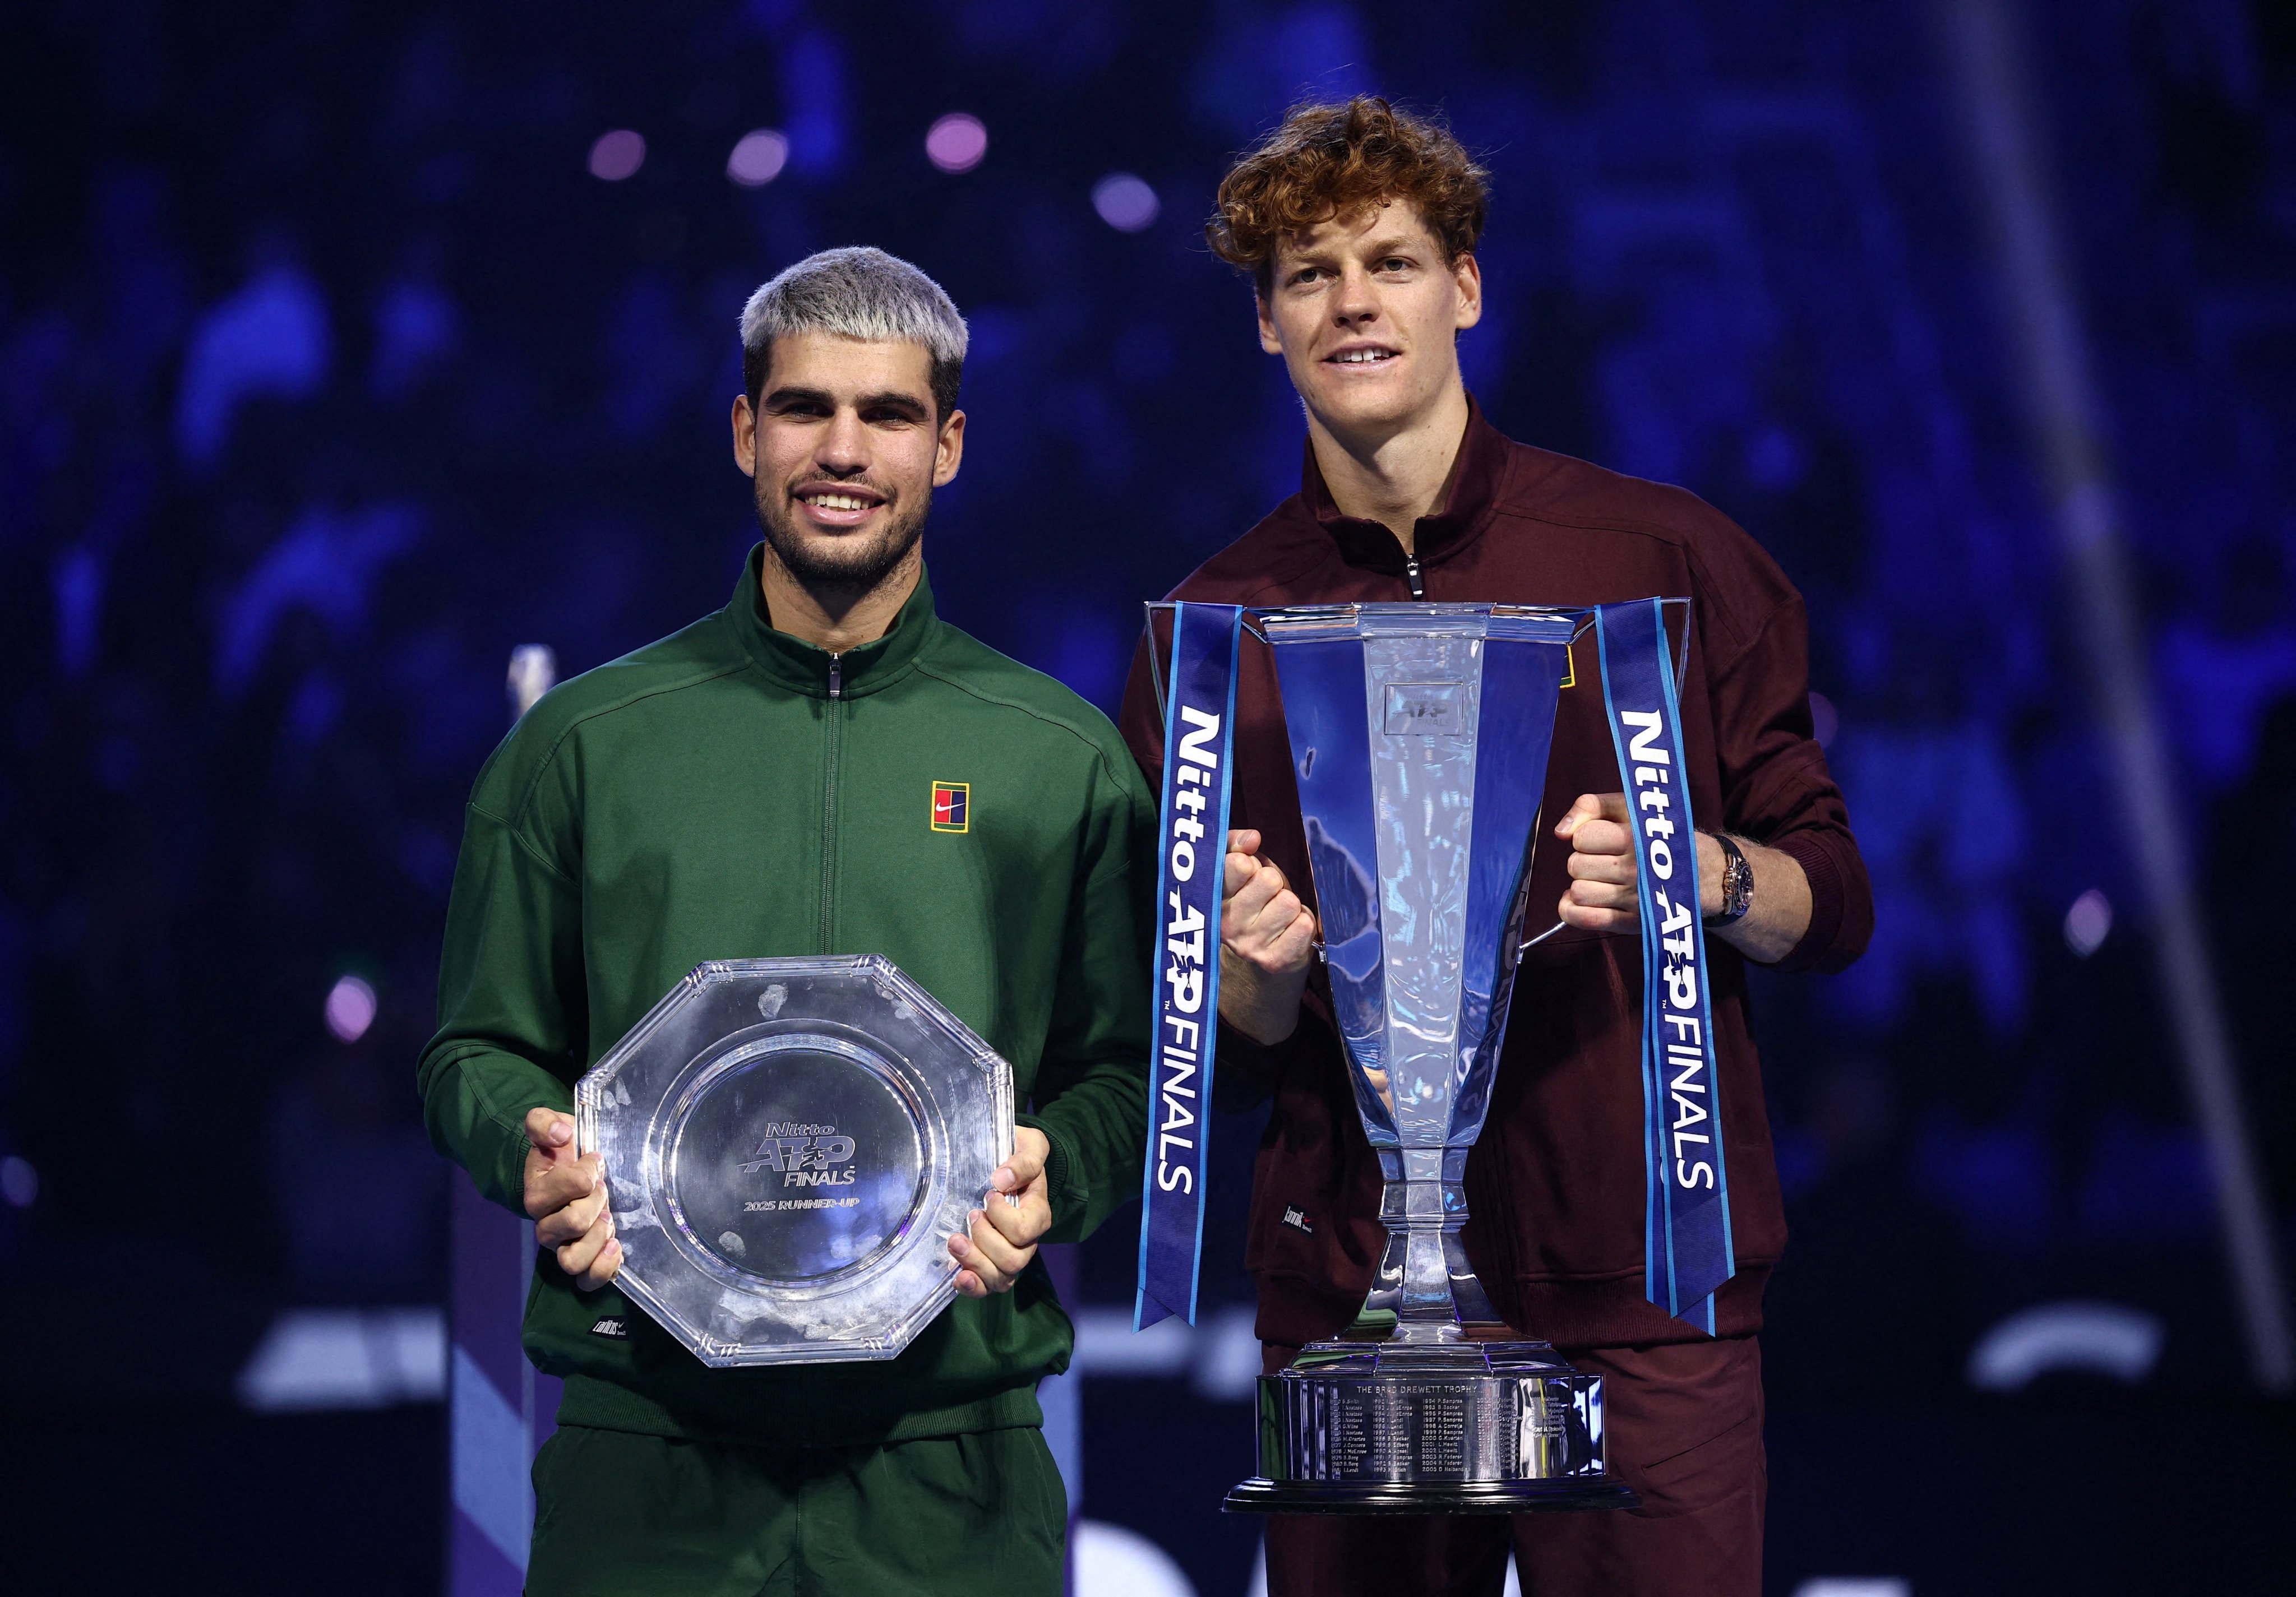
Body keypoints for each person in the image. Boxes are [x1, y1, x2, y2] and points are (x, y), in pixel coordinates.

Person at [1119, 99, 1873, 1596]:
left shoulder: (1662, 561)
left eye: (1390, 262)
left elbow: (1831, 898)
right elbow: (1237, 1046)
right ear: (1266, 324)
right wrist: (1252, 972)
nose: (1352, 302)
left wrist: (1698, 871)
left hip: (1640, 1286)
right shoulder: (1211, 634)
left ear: (1467, 286)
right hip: (1352, 1301)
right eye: (1308, 274)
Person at [419, 247, 1152, 1597]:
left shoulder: (1060, 752)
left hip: (953, 1460)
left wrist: (1061, 1173)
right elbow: (474, 1049)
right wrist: (526, 1155)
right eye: (806, 408)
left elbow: (1125, 1074)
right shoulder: (585, 743)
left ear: (949, 445)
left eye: (886, 415)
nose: (843, 449)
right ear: (747, 430)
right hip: (647, 1456)